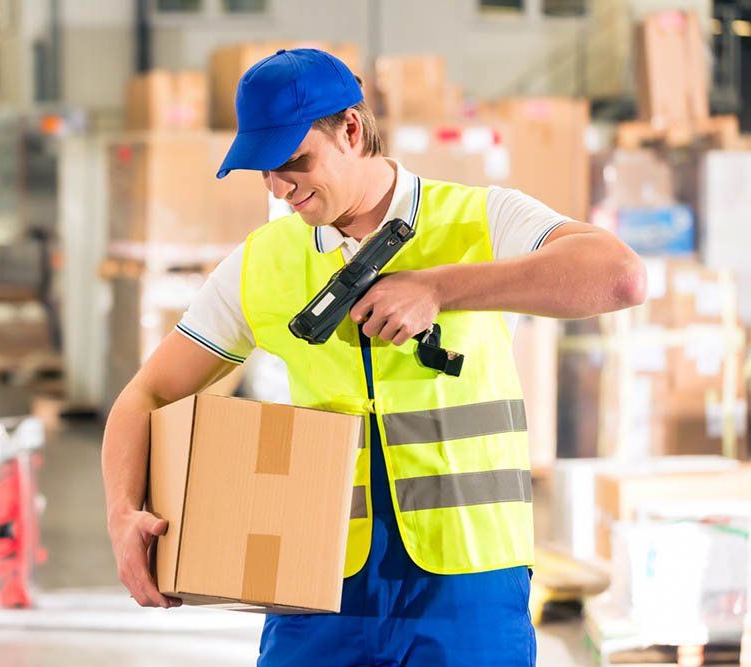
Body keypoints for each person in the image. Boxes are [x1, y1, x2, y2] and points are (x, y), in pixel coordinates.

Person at [102, 48, 646, 666]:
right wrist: (122, 512)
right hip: (316, 587)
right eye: (264, 171)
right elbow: (146, 394)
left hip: (470, 584)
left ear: (352, 131)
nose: (280, 189)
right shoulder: (261, 264)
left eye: (294, 162)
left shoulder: (482, 218)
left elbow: (620, 278)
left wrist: (441, 288)